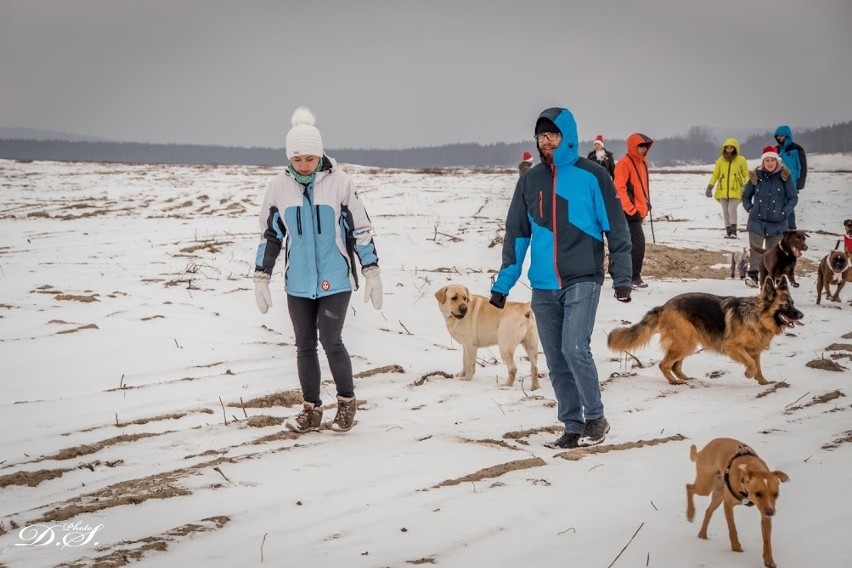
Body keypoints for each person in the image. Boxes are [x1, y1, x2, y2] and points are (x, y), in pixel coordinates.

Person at [489, 107, 633, 449]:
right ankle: (572, 424)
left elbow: (616, 226)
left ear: (567, 137)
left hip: (582, 277)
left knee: (574, 348)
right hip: (543, 284)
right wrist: (503, 284)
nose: (546, 141)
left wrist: (622, 275)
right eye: (541, 136)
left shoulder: (593, 175)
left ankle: (595, 417)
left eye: (552, 134)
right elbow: (516, 236)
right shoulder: (529, 180)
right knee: (555, 358)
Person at [253, 106, 383, 433]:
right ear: (289, 159)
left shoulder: (341, 184)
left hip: (335, 280)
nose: (304, 165)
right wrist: (261, 276)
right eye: (297, 160)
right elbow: (271, 235)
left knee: (331, 340)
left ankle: (346, 404)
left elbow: (360, 230)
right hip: (297, 283)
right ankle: (310, 410)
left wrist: (371, 272)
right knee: (304, 344)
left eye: (310, 158)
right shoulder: (278, 188)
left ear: (320, 153)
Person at [741, 146, 798, 287]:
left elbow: (793, 198)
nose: (770, 163)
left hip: (778, 223)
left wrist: (784, 212)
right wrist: (750, 208)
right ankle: (753, 276)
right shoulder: (756, 176)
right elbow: (746, 196)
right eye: (767, 160)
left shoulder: (785, 177)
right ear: (763, 162)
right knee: (756, 250)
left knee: (775, 254)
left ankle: (773, 279)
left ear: (777, 161)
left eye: (772, 160)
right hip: (756, 221)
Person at [614, 133, 654, 289]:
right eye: (640, 146)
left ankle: (620, 273)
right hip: (629, 212)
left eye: (645, 146)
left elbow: (641, 187)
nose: (644, 150)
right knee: (638, 243)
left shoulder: (642, 163)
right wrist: (630, 209)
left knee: (628, 244)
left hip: (638, 211)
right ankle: (633, 277)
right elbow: (619, 188)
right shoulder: (624, 163)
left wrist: (646, 204)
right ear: (633, 146)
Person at [706, 138, 749, 239]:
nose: (729, 150)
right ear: (724, 148)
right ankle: (728, 232)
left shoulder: (741, 160)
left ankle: (734, 232)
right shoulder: (720, 160)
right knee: (725, 211)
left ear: (735, 148)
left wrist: (748, 184)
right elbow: (715, 175)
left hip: (736, 189)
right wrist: (710, 187)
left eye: (731, 148)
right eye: (727, 148)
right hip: (722, 190)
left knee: (731, 210)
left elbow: (745, 174)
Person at [774, 125, 807, 229]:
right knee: (778, 206)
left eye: (781, 136)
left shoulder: (797, 149)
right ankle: (782, 229)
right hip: (777, 183)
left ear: (787, 136)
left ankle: (791, 229)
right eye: (777, 136)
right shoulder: (776, 149)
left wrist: (800, 183)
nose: (779, 138)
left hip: (792, 182)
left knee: (789, 206)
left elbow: (802, 166)